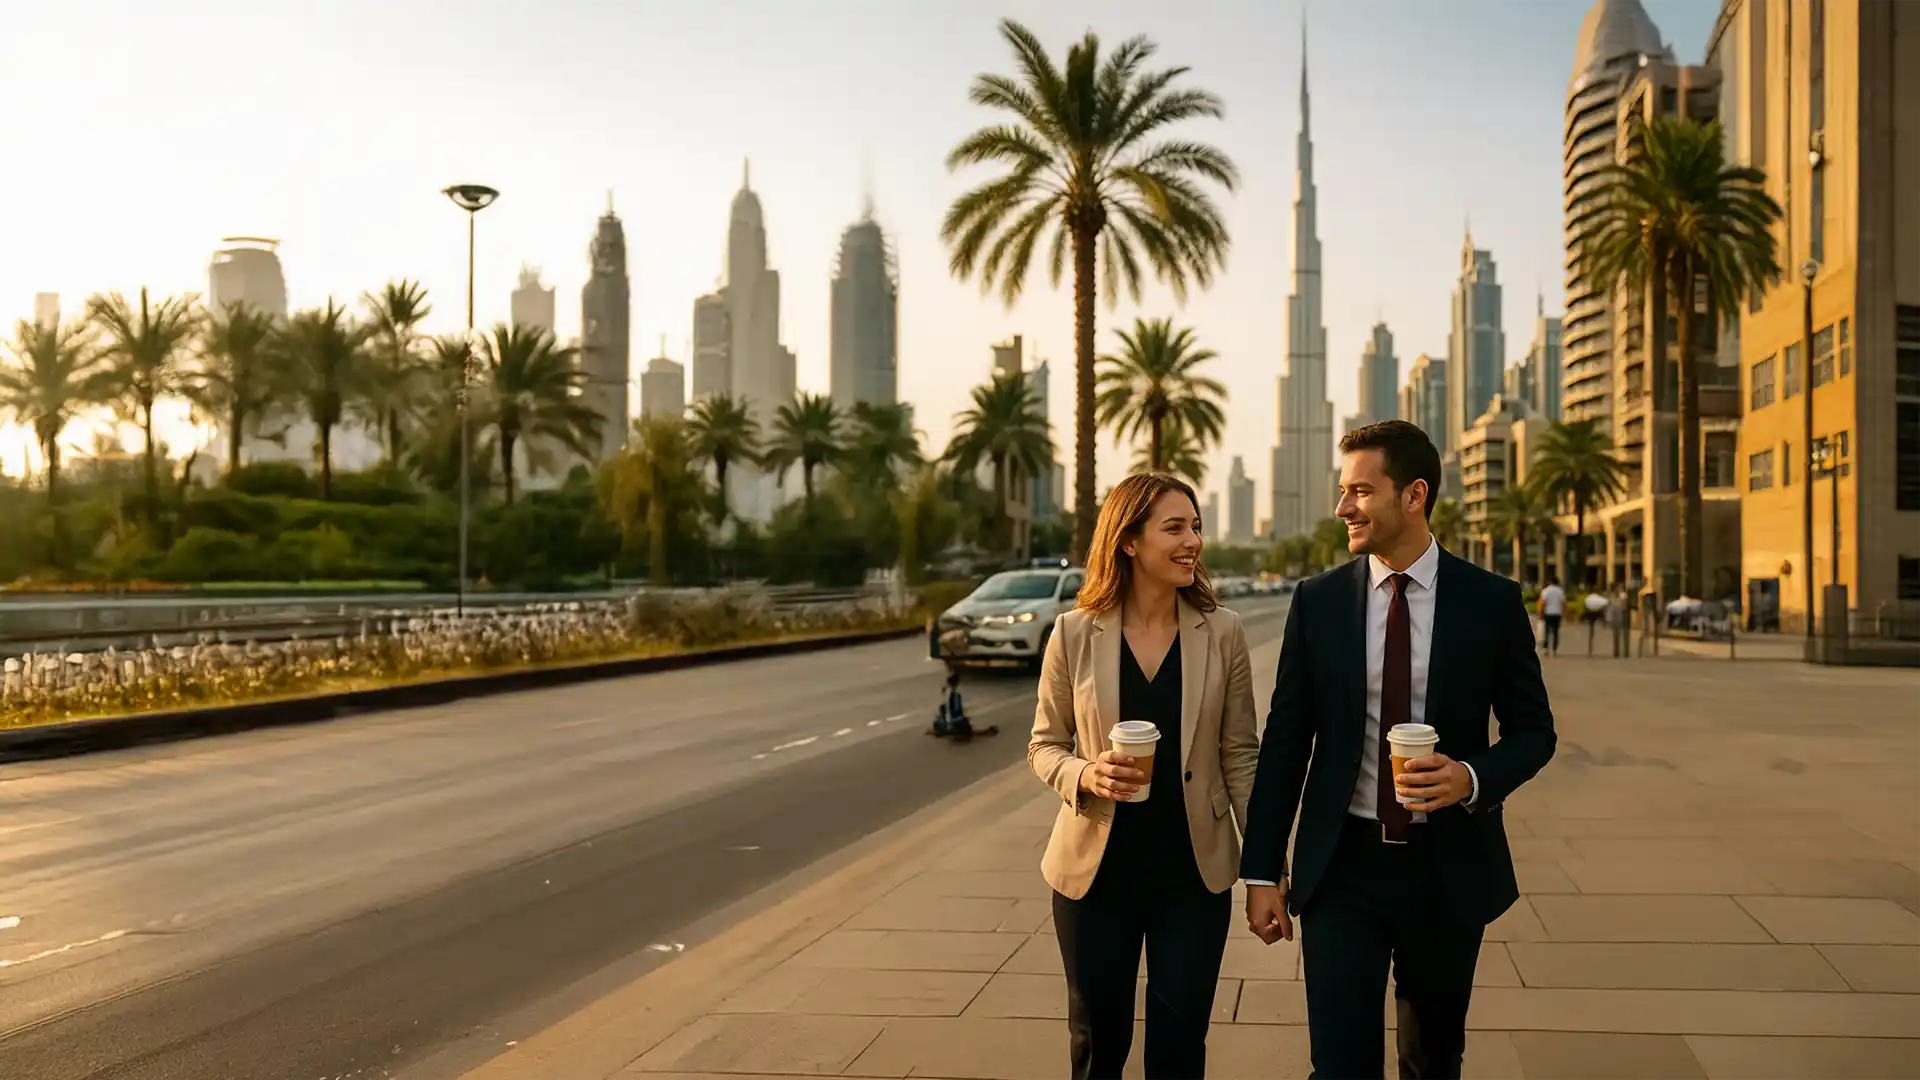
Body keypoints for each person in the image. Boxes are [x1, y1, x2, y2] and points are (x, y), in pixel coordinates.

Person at [1239, 420, 1557, 1080]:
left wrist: (1470, 777)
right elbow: (1286, 742)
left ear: (1413, 495)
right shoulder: (1318, 601)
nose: (1343, 507)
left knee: (1431, 1060)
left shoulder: (1491, 603)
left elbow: (1534, 731)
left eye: (1360, 490)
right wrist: (1262, 871)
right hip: (1341, 869)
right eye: (1342, 489)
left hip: (1448, 871)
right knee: (1338, 1063)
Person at [1029, 472, 1260, 1080]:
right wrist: (1086, 773)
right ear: (1129, 541)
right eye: (1175, 527)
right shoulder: (1074, 632)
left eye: (1197, 527)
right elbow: (1043, 746)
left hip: (1193, 877)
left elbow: (1240, 755)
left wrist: (1266, 868)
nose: (1194, 541)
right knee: (1097, 1043)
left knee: (1180, 1048)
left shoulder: (1224, 632)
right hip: (1094, 879)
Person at [1537, 574, 1565, 656]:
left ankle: (1546, 648)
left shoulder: (1546, 590)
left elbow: (1543, 603)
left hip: (1548, 613)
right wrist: (1564, 613)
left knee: (1547, 631)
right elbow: (1563, 603)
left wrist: (1540, 612)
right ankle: (1554, 649)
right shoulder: (1560, 590)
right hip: (1557, 613)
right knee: (1555, 631)